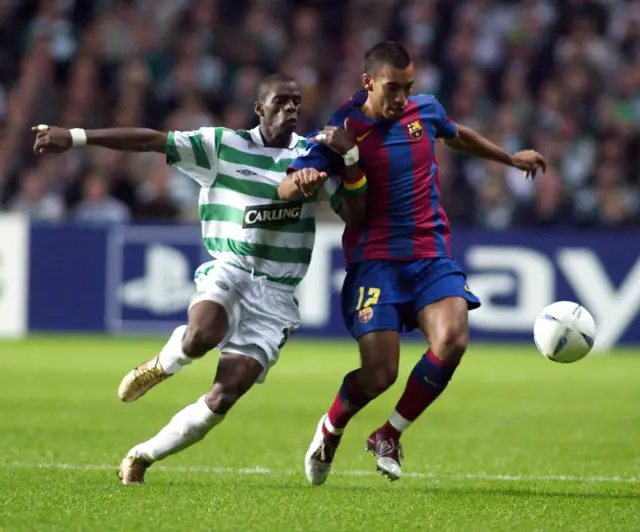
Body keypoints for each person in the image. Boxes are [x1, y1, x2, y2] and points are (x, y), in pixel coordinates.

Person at [32, 74, 353, 485]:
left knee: (224, 397)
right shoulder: (220, 146)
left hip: (277, 294)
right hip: (230, 269)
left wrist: (348, 165)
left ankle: (141, 455)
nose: (291, 107)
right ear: (259, 108)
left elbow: (355, 212)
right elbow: (151, 140)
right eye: (281, 101)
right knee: (199, 336)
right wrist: (76, 137)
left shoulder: (312, 156)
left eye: (297, 101)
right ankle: (162, 365)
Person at [284, 42, 546, 484]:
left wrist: (507, 157)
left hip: (429, 255)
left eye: (408, 87)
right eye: (392, 88)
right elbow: (286, 187)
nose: (402, 98)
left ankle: (389, 433)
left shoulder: (424, 110)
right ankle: (331, 428)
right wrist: (304, 179)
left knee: (453, 339)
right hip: (376, 263)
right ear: (368, 82)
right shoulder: (343, 129)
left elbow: (454, 133)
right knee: (380, 373)